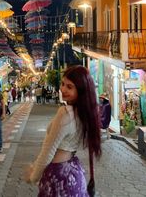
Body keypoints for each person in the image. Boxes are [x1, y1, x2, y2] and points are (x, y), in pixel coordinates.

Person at [24, 65, 101, 196]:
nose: (63, 89)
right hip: (74, 172)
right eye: (63, 84)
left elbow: (48, 151)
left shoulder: (65, 113)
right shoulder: (86, 113)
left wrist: (33, 176)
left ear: (81, 90)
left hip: (58, 175)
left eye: (69, 87)